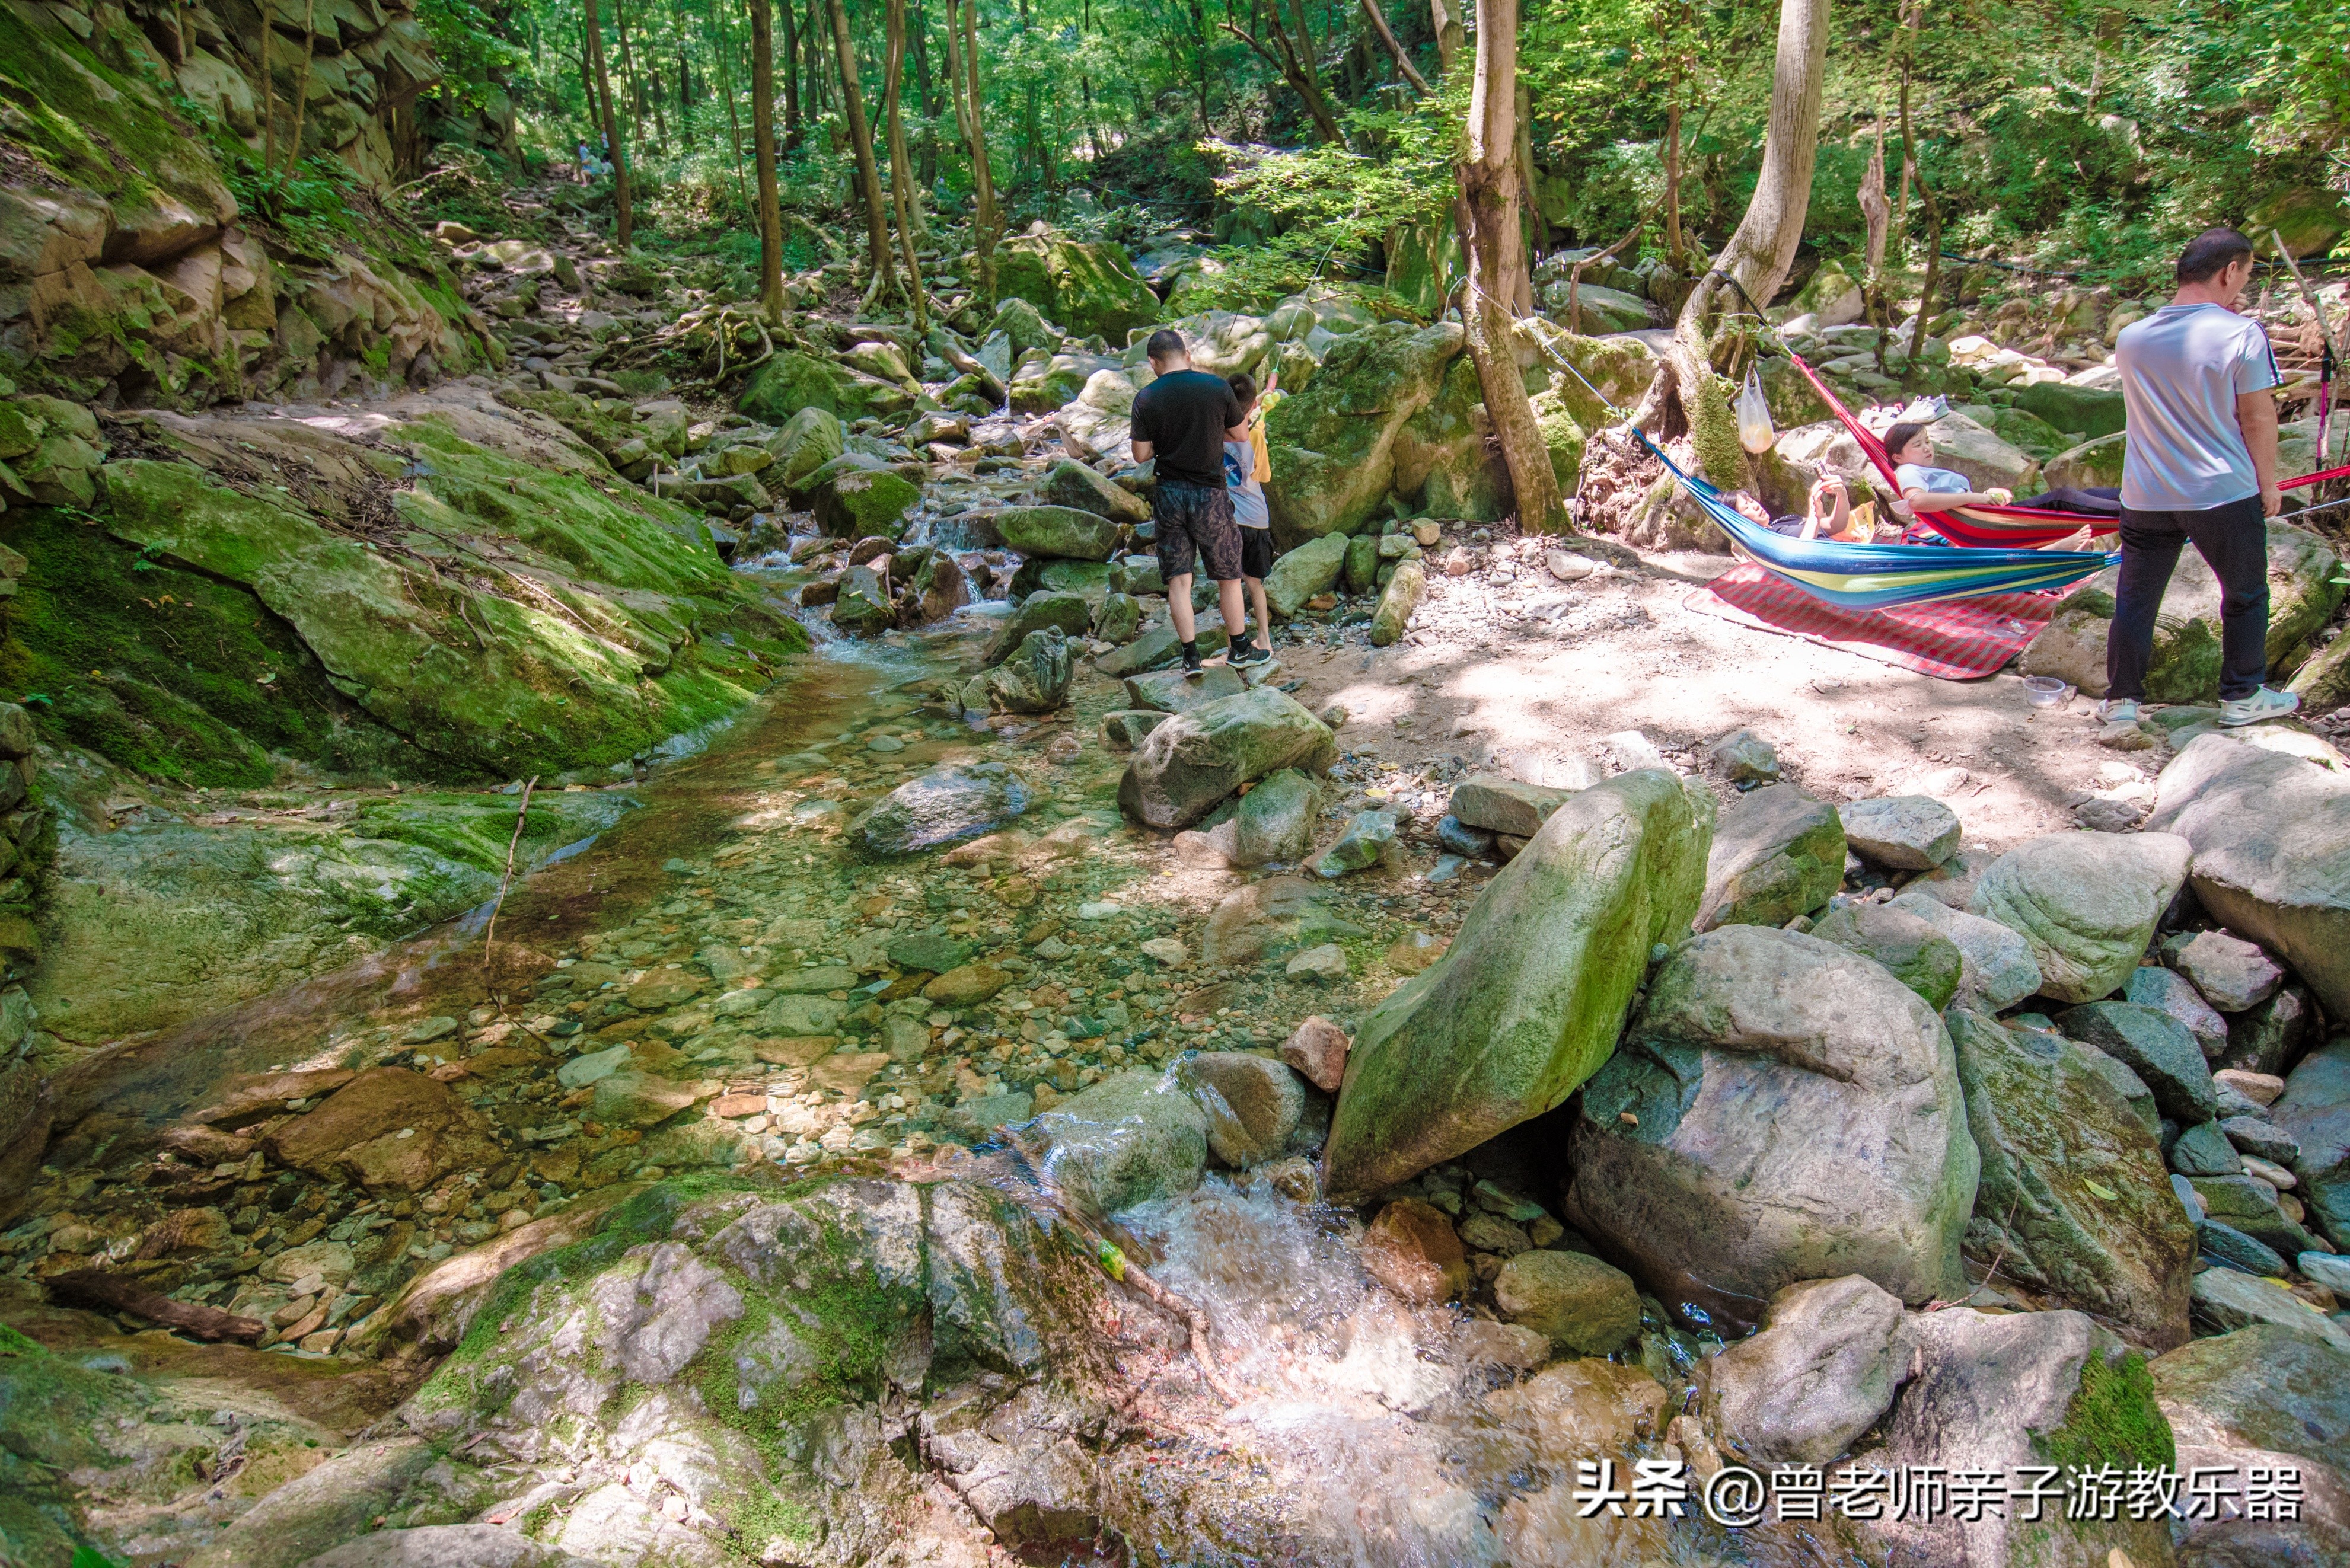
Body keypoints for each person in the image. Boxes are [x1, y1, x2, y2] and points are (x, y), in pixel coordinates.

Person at [2107, 227, 2295, 727]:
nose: (2244, 286)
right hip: (2219, 489)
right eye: (2247, 274)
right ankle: (2242, 696)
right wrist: (2269, 483)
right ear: (2228, 271)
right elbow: (2256, 417)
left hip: (2145, 492)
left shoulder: (2131, 337)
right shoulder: (2241, 334)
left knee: (2136, 596)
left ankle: (2121, 701)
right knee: (2245, 592)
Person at [1130, 328, 1255, 672]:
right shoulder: (1217, 387)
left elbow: (1141, 455)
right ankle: (1240, 649)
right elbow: (1241, 435)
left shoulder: (1146, 397)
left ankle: (1190, 657)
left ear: (1153, 362)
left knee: (1179, 580)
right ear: (1187, 355)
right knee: (1228, 575)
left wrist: (1161, 443)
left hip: (1169, 494)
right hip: (1210, 495)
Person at [1885, 421, 2103, 550]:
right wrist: (1976, 498)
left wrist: (1986, 495)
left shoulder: (1921, 470)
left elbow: (1950, 499)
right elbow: (1917, 501)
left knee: (2060, 502)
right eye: (1917, 445)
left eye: (1927, 441)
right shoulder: (1908, 470)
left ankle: (2055, 546)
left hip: (1971, 522)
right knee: (2059, 501)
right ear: (1898, 457)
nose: (1926, 448)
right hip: (1958, 529)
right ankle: (2054, 549)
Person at [1223, 369, 1276, 663]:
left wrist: (1255, 404)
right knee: (1254, 583)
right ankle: (1264, 639)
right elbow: (1262, 475)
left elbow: (1236, 414)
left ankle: (1236, 642)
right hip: (1256, 518)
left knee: (1230, 582)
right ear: (1252, 407)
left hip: (1230, 521)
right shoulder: (1254, 434)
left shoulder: (1216, 430)